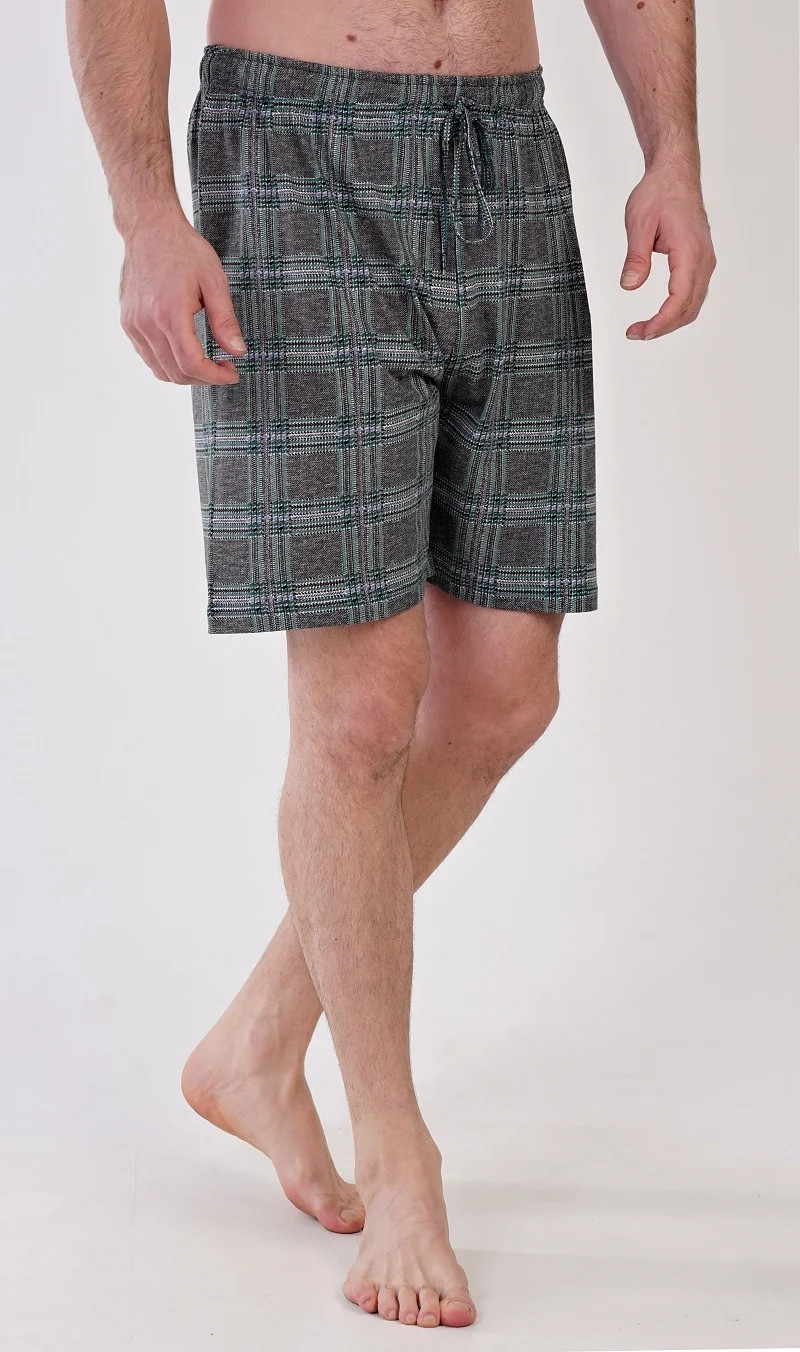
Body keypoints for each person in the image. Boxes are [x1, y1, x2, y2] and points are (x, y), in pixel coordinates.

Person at [66, 0, 715, 1329]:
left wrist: (673, 150)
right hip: (293, 153)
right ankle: (397, 1153)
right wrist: (146, 215)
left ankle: (256, 1043)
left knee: (505, 693)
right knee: (359, 714)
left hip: (507, 151)